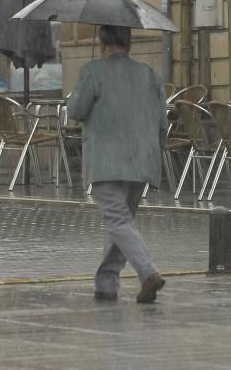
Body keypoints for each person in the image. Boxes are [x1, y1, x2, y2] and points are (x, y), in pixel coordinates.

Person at [66, 24, 167, 304]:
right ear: (129, 43)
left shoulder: (93, 71)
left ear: (103, 43)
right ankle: (106, 282)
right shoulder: (150, 75)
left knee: (117, 221)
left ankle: (148, 273)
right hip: (141, 161)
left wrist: (80, 87)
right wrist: (155, 152)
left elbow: (76, 110)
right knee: (122, 223)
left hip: (107, 160)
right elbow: (162, 122)